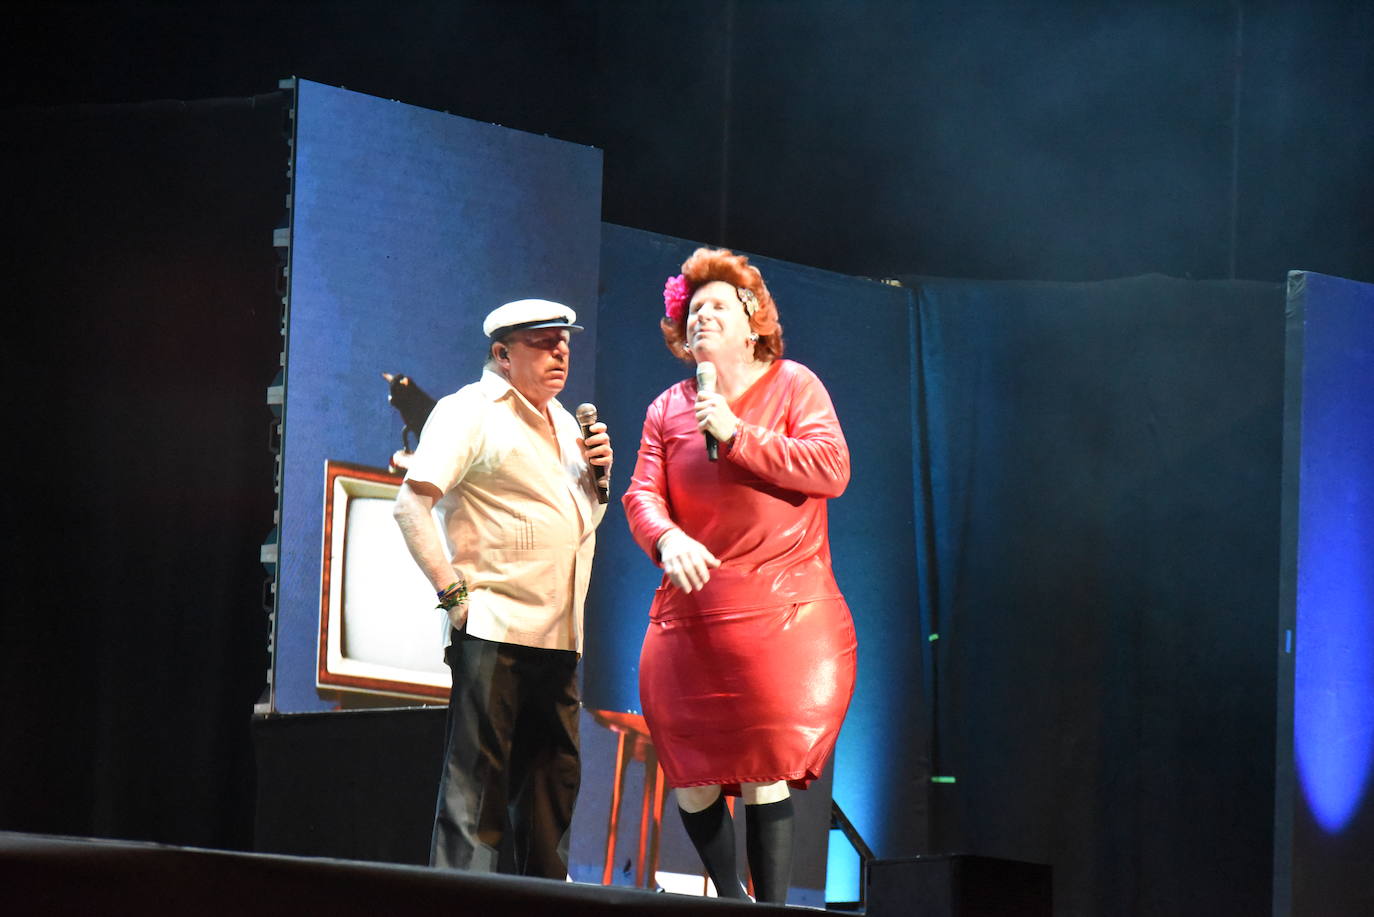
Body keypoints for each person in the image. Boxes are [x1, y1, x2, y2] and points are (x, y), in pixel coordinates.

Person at [622, 248, 857, 903]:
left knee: (765, 769)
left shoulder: (795, 386)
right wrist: (666, 537)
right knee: (690, 777)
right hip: (690, 619)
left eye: (717, 305)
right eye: (692, 308)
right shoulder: (666, 409)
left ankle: (770, 906)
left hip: (782, 616)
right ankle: (732, 898)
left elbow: (830, 467)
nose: (701, 316)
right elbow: (642, 494)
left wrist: (737, 432)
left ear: (753, 319)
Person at [392, 298, 612, 878]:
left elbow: (570, 527)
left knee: (553, 785)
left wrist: (598, 483)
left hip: (559, 633)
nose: (560, 352)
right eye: (542, 341)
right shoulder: (471, 411)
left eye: (564, 341)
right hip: (495, 626)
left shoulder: (566, 423)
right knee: (478, 793)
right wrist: (453, 594)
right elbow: (410, 505)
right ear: (502, 354)